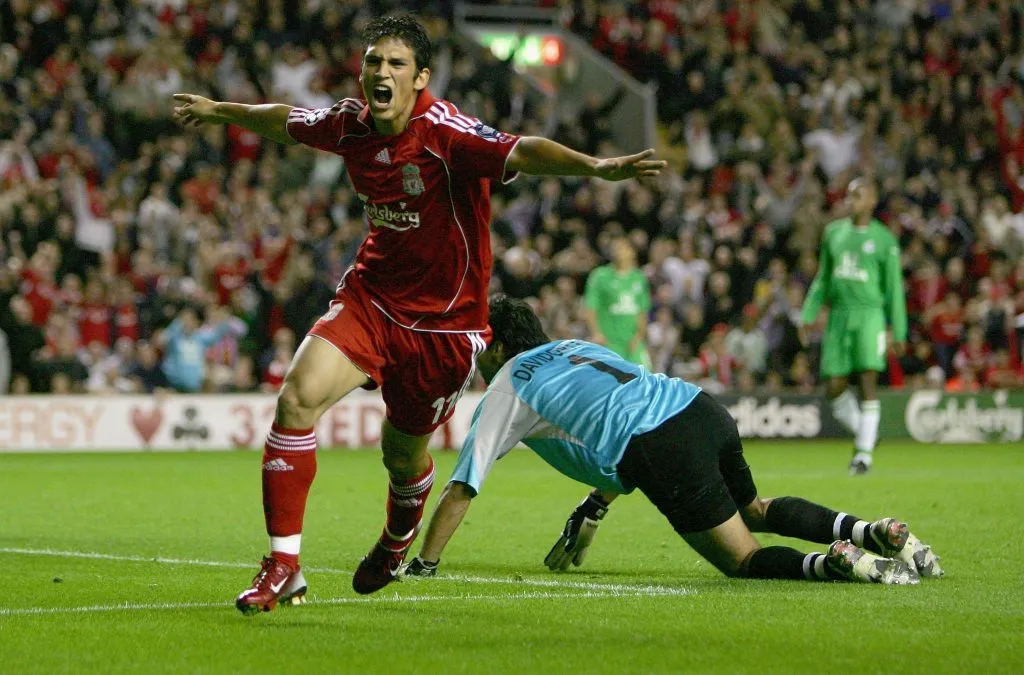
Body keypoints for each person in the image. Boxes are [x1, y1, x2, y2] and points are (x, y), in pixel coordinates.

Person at [172, 15, 666, 613]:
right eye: (373, 62)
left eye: (395, 64)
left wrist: (595, 167)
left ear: (420, 77)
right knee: (296, 398)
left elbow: (522, 151)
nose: (380, 72)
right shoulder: (350, 123)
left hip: (445, 328)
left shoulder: (447, 132)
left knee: (402, 456)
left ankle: (399, 531)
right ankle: (283, 565)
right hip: (371, 299)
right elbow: (284, 120)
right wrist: (222, 110)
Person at [403, 295, 941, 585]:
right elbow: (614, 411)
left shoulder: (510, 381)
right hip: (700, 407)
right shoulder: (575, 346)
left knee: (741, 559)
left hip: (660, 444)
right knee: (753, 508)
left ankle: (836, 563)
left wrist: (423, 564)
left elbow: (463, 485)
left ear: (496, 346)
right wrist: (595, 504)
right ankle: (873, 530)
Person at [799, 179, 907, 475]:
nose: (851, 200)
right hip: (839, 315)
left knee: (867, 380)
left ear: (872, 200)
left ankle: (863, 456)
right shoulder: (834, 232)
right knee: (834, 386)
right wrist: (808, 313)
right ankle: (867, 432)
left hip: (869, 315)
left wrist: (897, 330)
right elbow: (823, 279)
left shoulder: (884, 240)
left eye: (858, 195)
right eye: (849, 195)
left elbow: (894, 289)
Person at [584, 236, 652, 367]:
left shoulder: (639, 278)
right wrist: (596, 334)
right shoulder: (600, 276)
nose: (616, 251)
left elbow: (642, 311)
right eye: (613, 248)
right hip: (609, 342)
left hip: (632, 342)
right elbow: (591, 308)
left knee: (646, 378)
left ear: (631, 252)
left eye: (621, 247)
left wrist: (639, 336)